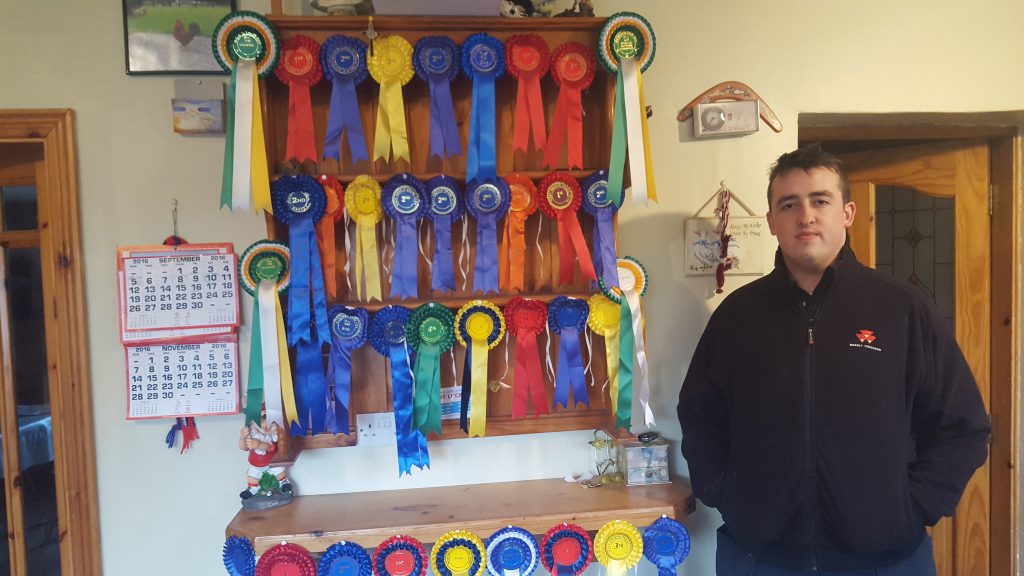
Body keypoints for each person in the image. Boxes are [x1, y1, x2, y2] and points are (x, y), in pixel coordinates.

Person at [677, 144, 990, 575]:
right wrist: (726, 493)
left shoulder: (901, 309)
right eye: (789, 204)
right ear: (771, 221)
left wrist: (912, 505)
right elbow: (699, 415)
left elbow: (963, 425)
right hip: (759, 557)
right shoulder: (737, 316)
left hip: (887, 559)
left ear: (847, 212)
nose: (805, 215)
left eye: (820, 200)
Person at [239, 412, 292, 500]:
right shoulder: (252, 433)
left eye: (265, 417)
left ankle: (284, 482)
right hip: (255, 463)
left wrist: (259, 445)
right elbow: (243, 447)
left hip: (270, 462)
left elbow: (269, 447)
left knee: (279, 472)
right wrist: (242, 438)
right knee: (252, 476)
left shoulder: (271, 435)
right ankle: (253, 489)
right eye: (258, 417)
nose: (260, 420)